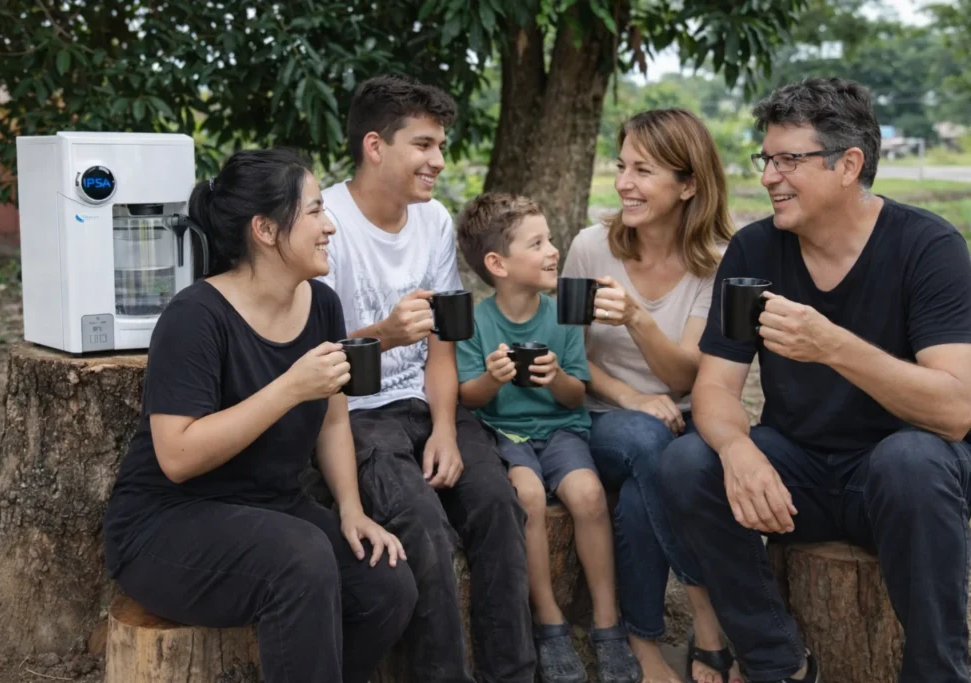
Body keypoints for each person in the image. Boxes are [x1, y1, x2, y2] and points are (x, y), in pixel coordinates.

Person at [657, 77, 971, 683]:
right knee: (686, 463)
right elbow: (716, 388)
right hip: (797, 473)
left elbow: (955, 410)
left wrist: (834, 346)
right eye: (766, 159)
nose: (769, 176)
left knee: (911, 457)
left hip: (904, 487)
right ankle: (780, 663)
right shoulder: (753, 252)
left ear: (849, 164)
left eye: (788, 160)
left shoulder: (929, 246)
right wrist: (737, 447)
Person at [102, 148, 417, 683]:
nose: (330, 226)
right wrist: (289, 388)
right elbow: (177, 456)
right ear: (266, 229)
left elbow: (334, 420)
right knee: (300, 559)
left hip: (273, 511)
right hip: (167, 524)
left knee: (386, 583)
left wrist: (350, 509)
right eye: (315, 210)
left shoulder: (320, 304)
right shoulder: (195, 316)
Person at [318, 76, 535, 682]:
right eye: (424, 145)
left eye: (441, 145)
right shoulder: (326, 223)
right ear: (375, 146)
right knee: (422, 524)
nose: (438, 161)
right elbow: (316, 360)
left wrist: (444, 428)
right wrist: (384, 333)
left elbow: (444, 340)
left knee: (497, 504)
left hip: (427, 402)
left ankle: (512, 673)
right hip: (355, 415)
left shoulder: (434, 219)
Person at [562, 108, 742, 683]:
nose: (623, 183)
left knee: (647, 492)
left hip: (680, 425)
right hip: (601, 418)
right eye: (622, 166)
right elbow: (567, 355)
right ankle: (708, 618)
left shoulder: (714, 263)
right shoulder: (591, 248)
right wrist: (630, 397)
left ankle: (642, 642)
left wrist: (638, 318)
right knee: (644, 437)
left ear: (688, 184)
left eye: (643, 170)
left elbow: (686, 377)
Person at [454, 192, 642, 683]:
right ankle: (550, 623)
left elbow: (576, 396)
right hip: (506, 434)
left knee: (588, 494)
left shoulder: (563, 315)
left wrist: (556, 373)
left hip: (560, 431)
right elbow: (469, 399)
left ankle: (607, 622)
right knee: (530, 497)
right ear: (497, 263)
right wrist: (492, 379)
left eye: (550, 239)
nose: (553, 250)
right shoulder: (476, 322)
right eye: (537, 243)